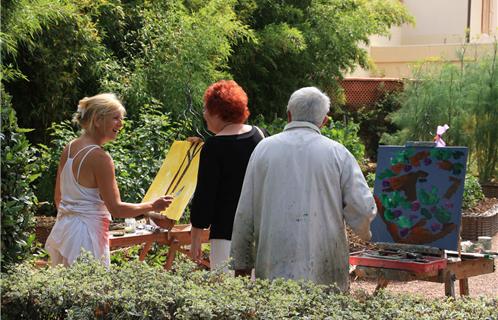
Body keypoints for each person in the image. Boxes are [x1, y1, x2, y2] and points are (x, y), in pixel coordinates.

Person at [230, 87, 377, 291]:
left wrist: (241, 266)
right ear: (324, 121)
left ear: (289, 115)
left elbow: (245, 213)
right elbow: (362, 210)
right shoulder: (338, 154)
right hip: (326, 274)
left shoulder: (263, 150)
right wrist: (371, 235)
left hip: (273, 272)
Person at [45, 93, 175, 267]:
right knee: (90, 291)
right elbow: (117, 209)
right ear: (98, 120)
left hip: (65, 232)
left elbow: (58, 199)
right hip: (86, 237)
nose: (121, 124)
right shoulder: (100, 158)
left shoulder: (69, 148)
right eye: (115, 118)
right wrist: (153, 205)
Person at [189, 80, 266, 271]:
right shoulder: (261, 136)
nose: (204, 114)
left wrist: (195, 237)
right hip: (262, 230)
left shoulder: (214, 146)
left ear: (217, 112)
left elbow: (205, 196)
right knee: (260, 292)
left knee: (228, 293)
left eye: (206, 109)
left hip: (226, 232)